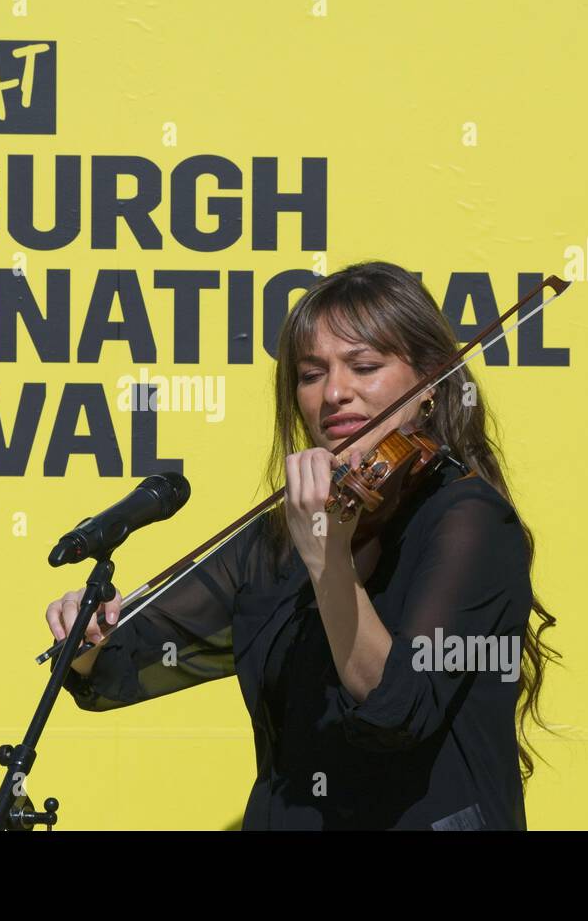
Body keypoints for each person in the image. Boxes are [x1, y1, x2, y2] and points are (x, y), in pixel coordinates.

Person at [45, 260, 560, 830]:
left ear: (430, 384)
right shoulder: (284, 533)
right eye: (312, 374)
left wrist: (328, 560)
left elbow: (396, 708)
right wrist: (87, 636)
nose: (335, 392)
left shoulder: (468, 522)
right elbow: (118, 667)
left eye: (364, 366)